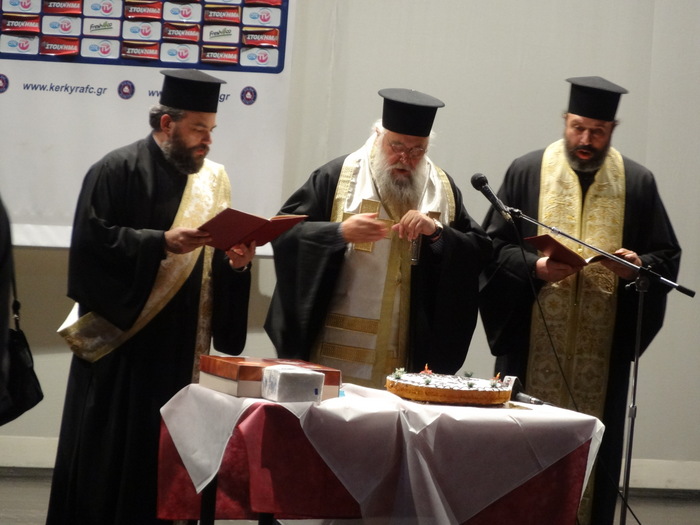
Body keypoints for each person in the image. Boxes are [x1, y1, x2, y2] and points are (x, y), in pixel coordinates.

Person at [46, 69, 255, 525]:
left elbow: (212, 262)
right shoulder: (115, 169)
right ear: (166, 123)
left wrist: (237, 264)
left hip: (183, 349)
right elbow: (91, 246)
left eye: (211, 129)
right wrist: (158, 243)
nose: (207, 140)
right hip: (126, 350)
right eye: (198, 129)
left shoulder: (213, 180)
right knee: (114, 466)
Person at [479, 76, 681, 525]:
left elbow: (666, 256)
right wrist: (535, 267)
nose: (586, 140)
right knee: (520, 463)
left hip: (600, 360)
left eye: (598, 131)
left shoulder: (637, 182)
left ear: (612, 130)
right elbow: (491, 249)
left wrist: (636, 268)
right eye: (578, 128)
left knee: (593, 472)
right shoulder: (528, 171)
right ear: (565, 122)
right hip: (530, 351)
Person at [265, 88, 492, 388]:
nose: (405, 158)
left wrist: (437, 233)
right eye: (396, 146)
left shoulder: (442, 188)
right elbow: (283, 233)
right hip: (335, 351)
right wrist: (338, 232)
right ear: (378, 135)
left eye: (417, 151)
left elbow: (479, 252)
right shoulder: (337, 177)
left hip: (408, 354)